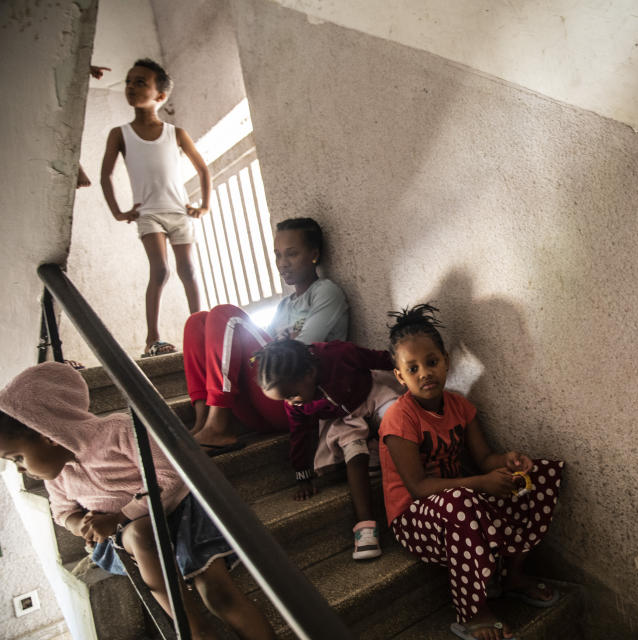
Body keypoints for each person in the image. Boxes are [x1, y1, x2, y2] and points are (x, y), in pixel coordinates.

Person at [0, 362, 276, 640]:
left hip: (183, 519)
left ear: (48, 436)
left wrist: (117, 516)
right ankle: (194, 630)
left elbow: (169, 476)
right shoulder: (58, 477)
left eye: (17, 458)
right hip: (134, 541)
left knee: (219, 596)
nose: (21, 469)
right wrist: (82, 524)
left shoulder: (119, 430)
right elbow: (62, 513)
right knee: (139, 532)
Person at [379, 304, 563, 640]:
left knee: (541, 475)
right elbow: (418, 487)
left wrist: (510, 461)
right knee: (461, 503)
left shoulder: (460, 405)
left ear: (446, 360)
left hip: (461, 499)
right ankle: (472, 611)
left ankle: (513, 575)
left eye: (432, 362)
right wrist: (482, 483)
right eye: (413, 368)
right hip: (414, 519)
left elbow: (484, 458)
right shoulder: (399, 418)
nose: (425, 373)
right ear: (399, 376)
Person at [186, 217, 349, 454]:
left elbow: (297, 354)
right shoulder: (284, 306)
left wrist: (276, 343)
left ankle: (218, 426)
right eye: (278, 255)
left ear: (314, 254)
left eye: (291, 254)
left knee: (225, 315)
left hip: (298, 399)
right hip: (264, 405)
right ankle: (203, 421)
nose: (282, 263)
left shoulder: (325, 292)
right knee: (197, 321)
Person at [100, 58, 211, 358]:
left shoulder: (175, 133)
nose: (131, 87)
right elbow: (105, 175)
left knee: (188, 269)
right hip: (148, 213)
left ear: (160, 96)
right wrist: (118, 212)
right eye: (128, 81)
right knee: (160, 270)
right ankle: (152, 338)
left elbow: (203, 170)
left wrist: (203, 206)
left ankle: (199, 332)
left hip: (178, 212)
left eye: (140, 82)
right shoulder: (120, 134)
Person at [253, 338, 399, 560]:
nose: (290, 403)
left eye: (291, 395)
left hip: (371, 393)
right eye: (284, 399)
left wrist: (405, 365)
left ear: (309, 373)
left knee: (397, 422)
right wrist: (303, 474)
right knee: (354, 453)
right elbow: (300, 434)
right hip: (341, 418)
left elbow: (378, 358)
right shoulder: (297, 404)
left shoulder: (338, 353)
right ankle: (366, 527)